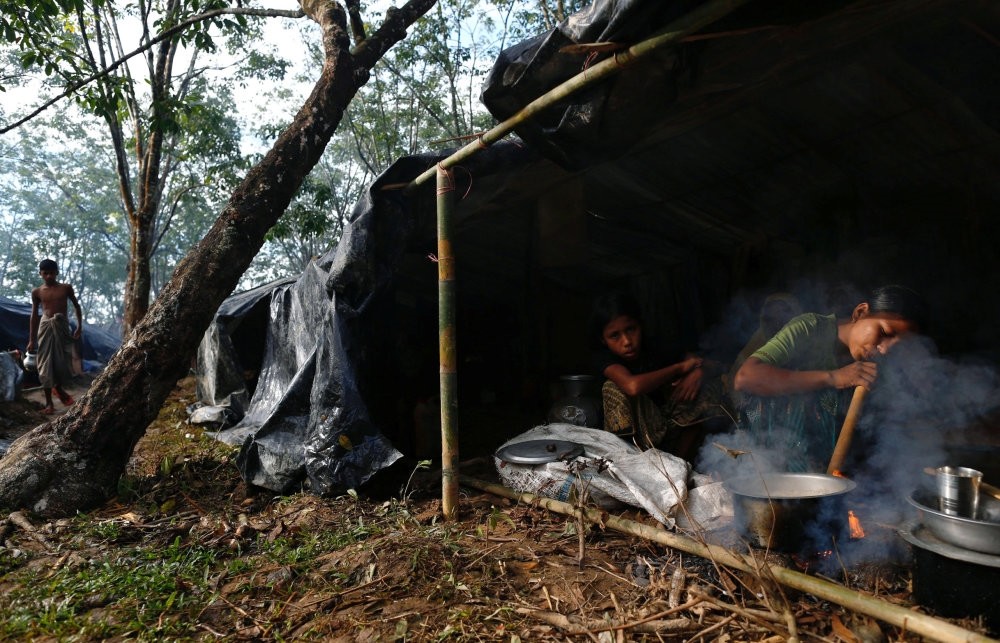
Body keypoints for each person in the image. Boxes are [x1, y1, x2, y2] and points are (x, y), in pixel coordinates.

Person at [732, 284, 926, 472]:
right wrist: (833, 378)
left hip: (825, 475)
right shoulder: (810, 328)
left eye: (897, 345)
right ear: (860, 312)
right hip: (767, 463)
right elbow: (746, 377)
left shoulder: (880, 366)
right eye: (883, 332)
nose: (884, 349)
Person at [590, 290, 707, 453]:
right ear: (603, 340)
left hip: (666, 430)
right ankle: (634, 460)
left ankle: (682, 462)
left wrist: (697, 372)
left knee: (707, 383)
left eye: (631, 329)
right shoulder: (603, 359)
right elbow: (632, 386)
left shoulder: (655, 347)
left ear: (641, 326)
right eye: (615, 336)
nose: (627, 341)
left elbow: (703, 361)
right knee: (613, 387)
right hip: (629, 444)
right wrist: (679, 368)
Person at [27, 258, 83, 415]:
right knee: (44, 366)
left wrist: (79, 327)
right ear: (40, 274)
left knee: (61, 364)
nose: (49, 276)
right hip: (45, 329)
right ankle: (49, 404)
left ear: (57, 273)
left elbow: (77, 307)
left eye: (52, 273)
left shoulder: (66, 288)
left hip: (61, 327)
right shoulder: (37, 292)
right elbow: (34, 316)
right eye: (46, 273)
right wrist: (31, 339)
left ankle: (58, 388)